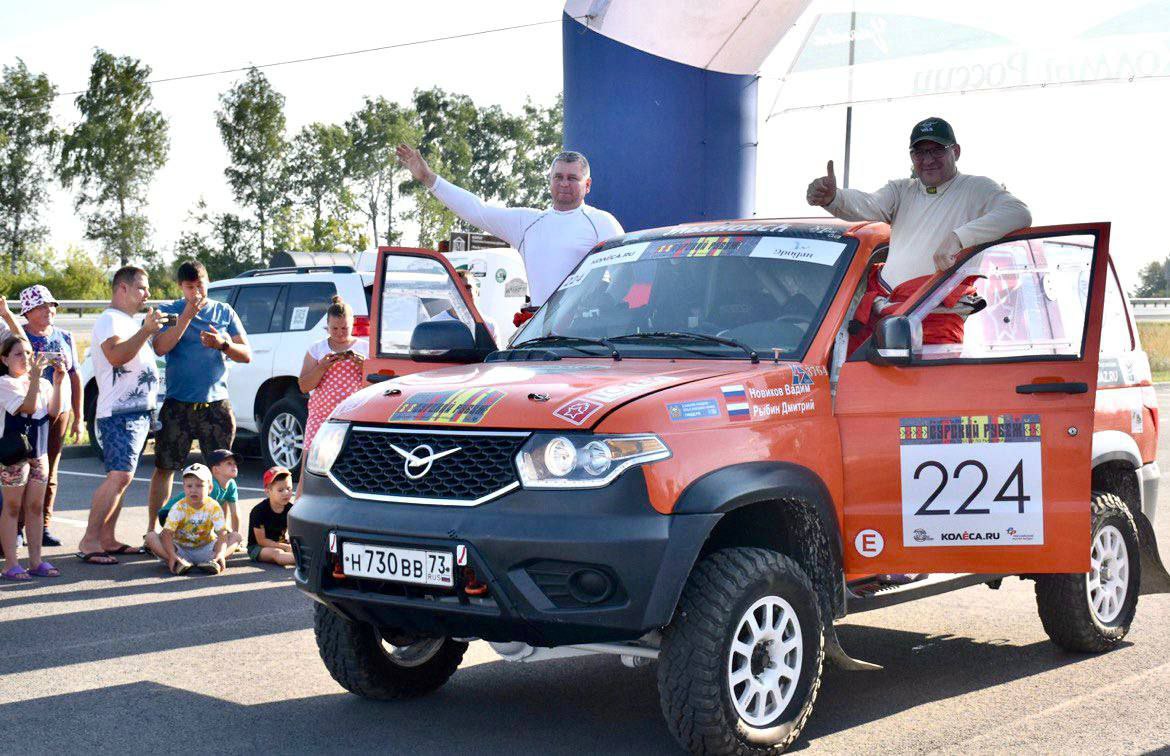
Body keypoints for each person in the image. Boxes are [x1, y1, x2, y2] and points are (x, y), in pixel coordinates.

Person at [806, 117, 1032, 348]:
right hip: (884, 316)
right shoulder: (901, 189)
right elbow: (868, 203)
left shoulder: (977, 188)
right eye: (920, 152)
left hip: (937, 318)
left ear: (956, 151)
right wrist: (834, 198)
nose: (928, 160)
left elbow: (1019, 213)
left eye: (937, 150)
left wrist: (958, 238)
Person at [396, 144, 624, 309]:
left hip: (590, 336)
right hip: (541, 332)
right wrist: (428, 178)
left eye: (572, 178)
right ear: (550, 180)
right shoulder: (527, 222)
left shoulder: (602, 222)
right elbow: (478, 210)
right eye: (558, 177)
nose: (564, 183)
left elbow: (624, 275)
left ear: (588, 184)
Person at [149, 260, 250, 541]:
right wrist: (186, 319)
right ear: (181, 287)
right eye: (190, 287)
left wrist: (223, 345)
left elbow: (246, 353)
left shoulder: (223, 311)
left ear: (208, 281)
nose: (196, 292)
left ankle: (221, 534)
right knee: (165, 468)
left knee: (221, 473)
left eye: (200, 285)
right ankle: (154, 532)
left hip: (215, 405)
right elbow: (160, 347)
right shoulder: (170, 311)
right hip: (178, 403)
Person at [77, 267, 164, 565]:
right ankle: (90, 540)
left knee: (123, 478)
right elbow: (115, 356)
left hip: (138, 412)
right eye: (141, 287)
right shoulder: (109, 319)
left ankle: (107, 537)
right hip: (118, 412)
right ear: (122, 289)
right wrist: (145, 331)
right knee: (119, 475)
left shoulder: (128, 321)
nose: (147, 294)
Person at [17, 285, 82, 548]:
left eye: (51, 305)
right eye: (42, 306)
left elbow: (76, 375)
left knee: (50, 470)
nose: (49, 311)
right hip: (28, 412)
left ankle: (42, 526)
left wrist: (79, 416)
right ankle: (19, 527)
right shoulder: (19, 337)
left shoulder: (65, 336)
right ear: (28, 311)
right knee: (22, 469)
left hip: (59, 410)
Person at [0, 337, 64, 580]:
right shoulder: (4, 383)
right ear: (4, 359)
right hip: (14, 454)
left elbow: (54, 412)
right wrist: (36, 378)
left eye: (28, 353)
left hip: (39, 452)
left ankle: (36, 561)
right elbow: (26, 407)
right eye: (18, 354)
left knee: (35, 507)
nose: (25, 358)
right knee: (12, 507)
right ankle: (11, 564)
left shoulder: (43, 383)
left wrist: (58, 382)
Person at [297, 295, 367, 496]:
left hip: (353, 418)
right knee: (308, 472)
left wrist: (364, 365)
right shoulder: (317, 349)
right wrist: (322, 367)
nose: (339, 333)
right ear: (327, 326)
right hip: (321, 418)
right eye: (334, 328)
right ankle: (296, 517)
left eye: (344, 328)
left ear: (353, 325)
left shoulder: (364, 348)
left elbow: (378, 382)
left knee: (350, 470)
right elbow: (303, 385)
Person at [148, 448, 242, 557]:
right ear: (216, 470)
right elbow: (203, 515)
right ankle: (174, 550)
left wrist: (233, 535)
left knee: (234, 536)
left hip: (193, 516)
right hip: (170, 512)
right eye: (229, 463)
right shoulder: (210, 486)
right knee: (198, 532)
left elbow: (235, 513)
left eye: (235, 463)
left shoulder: (231, 484)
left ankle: (212, 556)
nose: (234, 466)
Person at [153, 463, 229, 575]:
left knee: (235, 537)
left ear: (210, 488)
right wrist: (172, 554)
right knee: (151, 537)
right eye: (189, 486)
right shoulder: (178, 507)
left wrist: (220, 553)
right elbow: (167, 534)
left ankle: (215, 560)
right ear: (184, 487)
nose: (193, 490)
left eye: (199, 486)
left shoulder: (214, 506)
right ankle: (177, 561)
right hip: (181, 549)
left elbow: (222, 533)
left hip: (206, 548)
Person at [248, 466, 294, 567]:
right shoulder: (259, 511)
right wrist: (285, 547)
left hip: (281, 543)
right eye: (280, 490)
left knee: (298, 547)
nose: (286, 493)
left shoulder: (291, 509)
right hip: (258, 547)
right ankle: (305, 561)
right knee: (276, 553)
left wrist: (292, 544)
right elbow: (262, 541)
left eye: (288, 488)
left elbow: (294, 533)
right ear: (268, 491)